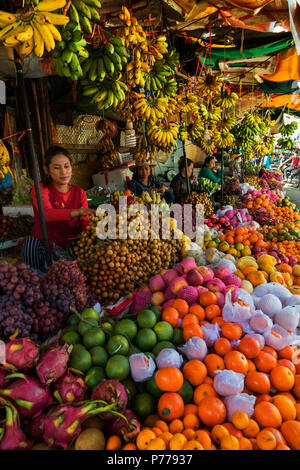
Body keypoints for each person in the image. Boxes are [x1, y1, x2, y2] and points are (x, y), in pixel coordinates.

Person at [22, 146, 95, 271]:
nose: (63, 172)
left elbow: (84, 224)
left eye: (67, 166)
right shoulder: (40, 189)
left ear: (71, 167)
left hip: (69, 247)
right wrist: (79, 211)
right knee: (29, 245)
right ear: (47, 170)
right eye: (57, 168)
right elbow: (46, 214)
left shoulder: (80, 192)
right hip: (44, 246)